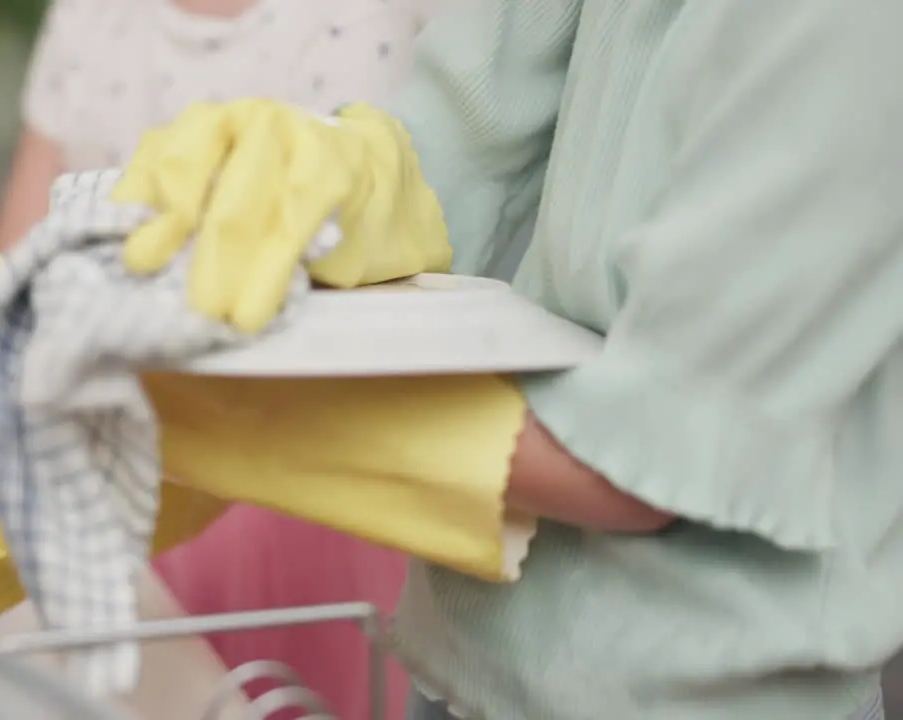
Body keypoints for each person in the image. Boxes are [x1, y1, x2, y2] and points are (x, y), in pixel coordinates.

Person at [105, 0, 903, 718]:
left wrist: (267, 412)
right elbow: (465, 131)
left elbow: (650, 450)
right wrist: (340, 182)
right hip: (465, 663)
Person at [0, 0, 440, 717]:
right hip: (105, 479)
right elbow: (21, 263)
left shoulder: (355, 21)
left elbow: (344, 323)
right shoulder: (90, 16)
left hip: (285, 490)